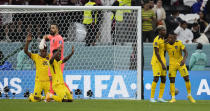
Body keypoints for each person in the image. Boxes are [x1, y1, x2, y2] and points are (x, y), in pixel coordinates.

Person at [165, 32, 196, 103]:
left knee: (186, 78)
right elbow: (159, 46)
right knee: (172, 80)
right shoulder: (166, 45)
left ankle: (189, 95)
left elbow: (186, 52)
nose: (169, 39)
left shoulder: (179, 43)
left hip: (180, 63)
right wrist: (165, 40)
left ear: (174, 38)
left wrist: (184, 60)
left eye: (171, 38)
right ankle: (173, 98)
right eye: (168, 37)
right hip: (172, 64)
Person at [42, 23, 71, 94]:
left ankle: (69, 92)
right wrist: (43, 39)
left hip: (58, 61)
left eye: (53, 28)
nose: (51, 29)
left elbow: (59, 50)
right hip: (52, 61)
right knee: (51, 77)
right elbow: (46, 36)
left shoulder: (59, 38)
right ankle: (51, 95)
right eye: (51, 28)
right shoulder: (53, 37)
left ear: (57, 29)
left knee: (58, 78)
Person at [24, 33, 50, 102]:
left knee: (50, 99)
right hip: (39, 82)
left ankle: (42, 97)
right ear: (40, 51)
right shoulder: (36, 57)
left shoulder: (50, 57)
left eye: (45, 51)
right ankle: (32, 96)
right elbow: (26, 51)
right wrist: (27, 42)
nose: (44, 53)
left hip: (48, 82)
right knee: (35, 100)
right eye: (42, 51)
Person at [150, 26, 167, 102]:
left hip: (163, 60)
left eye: (165, 30)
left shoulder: (163, 39)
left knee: (163, 79)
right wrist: (162, 64)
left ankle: (160, 97)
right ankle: (152, 98)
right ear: (159, 31)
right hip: (157, 61)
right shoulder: (156, 40)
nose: (165, 31)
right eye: (163, 30)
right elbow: (157, 53)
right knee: (156, 78)